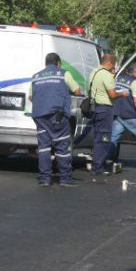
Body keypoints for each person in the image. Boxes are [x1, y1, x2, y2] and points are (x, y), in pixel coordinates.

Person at [28, 53, 82, 187]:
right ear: (58, 63)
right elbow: (77, 91)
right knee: (62, 147)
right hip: (57, 116)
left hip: (39, 116)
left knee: (44, 148)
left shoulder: (36, 76)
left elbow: (30, 97)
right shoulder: (63, 73)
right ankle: (65, 179)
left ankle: (45, 179)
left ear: (46, 64)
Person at [88, 53, 129, 176]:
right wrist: (122, 94)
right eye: (113, 65)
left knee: (97, 138)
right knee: (104, 139)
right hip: (105, 110)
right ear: (110, 63)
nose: (113, 67)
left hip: (95, 108)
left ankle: (96, 163)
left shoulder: (94, 72)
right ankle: (98, 167)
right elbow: (112, 94)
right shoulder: (106, 75)